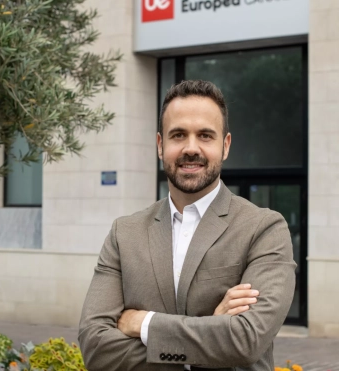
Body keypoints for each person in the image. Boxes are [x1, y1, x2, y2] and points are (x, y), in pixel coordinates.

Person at [78, 80, 296, 371]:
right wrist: (211, 334)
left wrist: (144, 323)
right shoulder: (124, 234)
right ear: (160, 145)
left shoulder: (264, 229)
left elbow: (247, 340)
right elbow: (94, 347)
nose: (191, 148)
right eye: (178, 135)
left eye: (205, 135)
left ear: (225, 145)